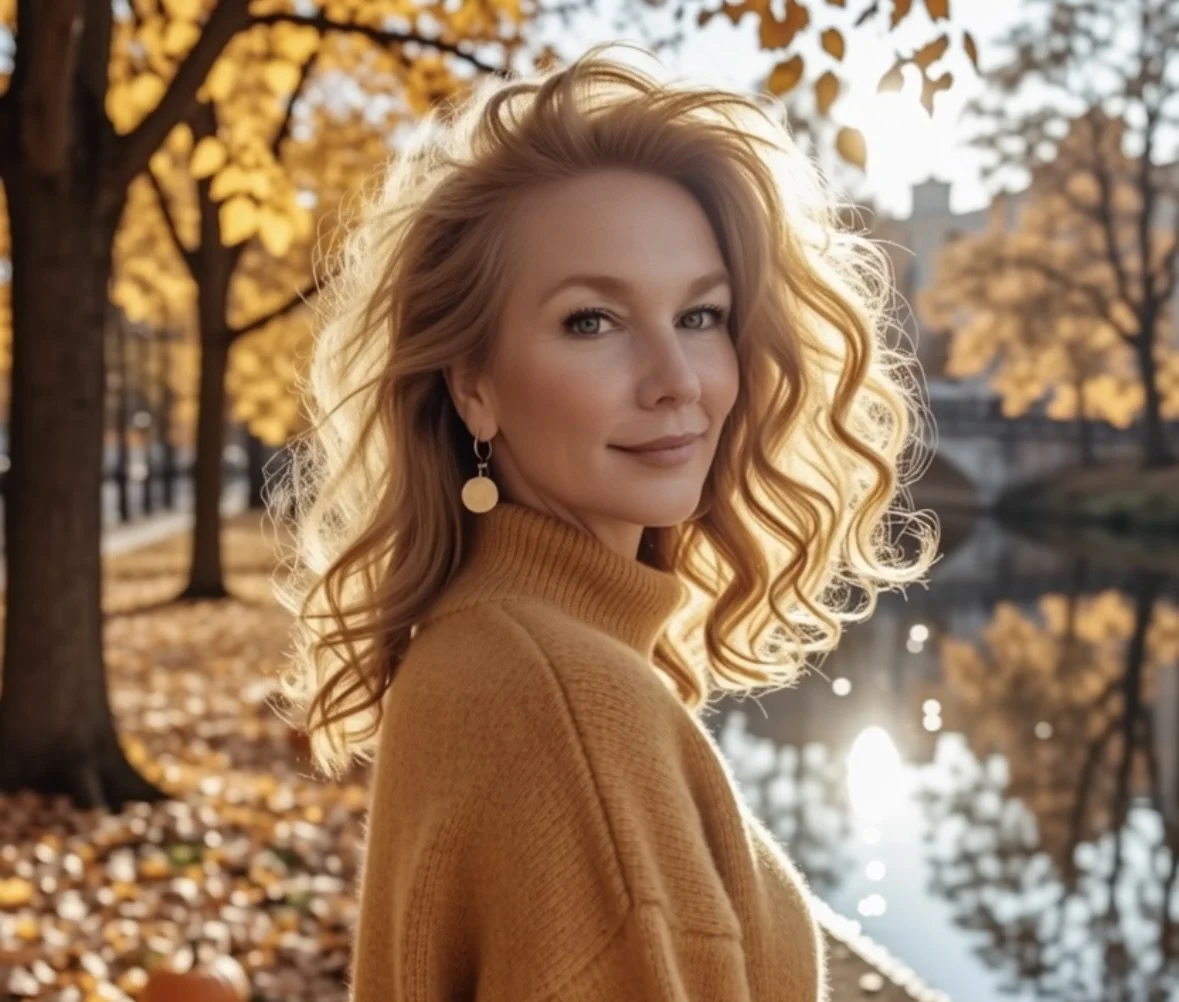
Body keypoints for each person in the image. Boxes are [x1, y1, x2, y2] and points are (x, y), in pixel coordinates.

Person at [268, 40, 938, 1002]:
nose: (676, 383)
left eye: (701, 316)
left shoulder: (492, 647)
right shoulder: (565, 699)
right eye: (593, 321)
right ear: (474, 387)